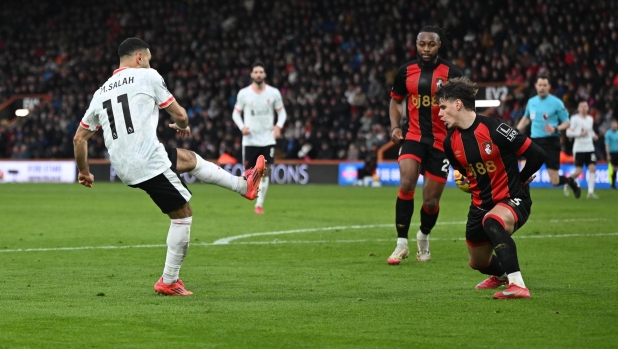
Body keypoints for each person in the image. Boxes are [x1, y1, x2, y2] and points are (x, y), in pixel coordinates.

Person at [73, 38, 265, 296]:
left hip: (125, 165)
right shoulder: (147, 76)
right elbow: (181, 115)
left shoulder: (101, 92)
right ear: (140, 57)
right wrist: (183, 126)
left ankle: (244, 186)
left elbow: (79, 139)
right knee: (183, 214)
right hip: (147, 161)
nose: (149, 63)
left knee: (189, 159)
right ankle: (169, 280)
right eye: (148, 58)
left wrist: (84, 171)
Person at [438, 77, 547, 299]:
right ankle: (501, 276)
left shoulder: (495, 128)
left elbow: (537, 154)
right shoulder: (450, 143)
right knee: (477, 262)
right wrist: (467, 182)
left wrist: (521, 180)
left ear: (458, 104)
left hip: (512, 198)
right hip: (479, 204)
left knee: (493, 221)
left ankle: (518, 284)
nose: (439, 113)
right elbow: (465, 174)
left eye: (443, 107)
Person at [387, 26, 463, 264]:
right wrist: (395, 126)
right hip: (413, 136)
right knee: (407, 182)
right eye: (422, 44)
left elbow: (465, 107)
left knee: (430, 202)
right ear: (417, 45)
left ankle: (423, 236)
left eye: (431, 44)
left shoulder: (452, 73)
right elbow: (396, 101)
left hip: (442, 143)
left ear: (439, 45)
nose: (426, 49)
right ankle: (401, 244)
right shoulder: (405, 71)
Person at [232, 61, 287, 215]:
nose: (258, 74)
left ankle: (259, 204)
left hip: (268, 139)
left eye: (261, 72)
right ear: (251, 74)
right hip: (250, 140)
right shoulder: (244, 93)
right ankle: (252, 194)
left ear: (265, 74)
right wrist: (242, 127)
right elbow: (235, 113)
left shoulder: (273, 93)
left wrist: (278, 126)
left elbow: (282, 113)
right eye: (255, 72)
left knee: (265, 171)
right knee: (249, 174)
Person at [516, 75, 580, 197]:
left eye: (545, 85)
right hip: (534, 141)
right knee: (524, 172)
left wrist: (556, 128)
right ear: (536, 86)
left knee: (554, 181)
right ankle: (523, 200)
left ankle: (570, 181)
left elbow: (567, 122)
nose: (542, 87)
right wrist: (515, 130)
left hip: (551, 142)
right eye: (540, 85)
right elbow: (526, 119)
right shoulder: (531, 102)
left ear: (549, 87)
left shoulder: (557, 103)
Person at [565, 101, 598, 198]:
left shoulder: (590, 119)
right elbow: (568, 133)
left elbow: (590, 130)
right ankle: (568, 182)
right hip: (579, 148)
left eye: (585, 106)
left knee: (593, 168)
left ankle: (590, 192)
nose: (583, 108)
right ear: (578, 108)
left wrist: (594, 135)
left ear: (588, 108)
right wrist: (579, 134)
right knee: (579, 171)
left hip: (590, 147)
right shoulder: (574, 119)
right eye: (581, 106)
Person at [605, 120, 618, 189]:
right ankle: (613, 184)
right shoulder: (608, 133)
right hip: (612, 153)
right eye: (613, 124)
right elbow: (607, 144)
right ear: (611, 125)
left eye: (616, 124)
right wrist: (608, 154)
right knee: (614, 168)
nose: (615, 126)